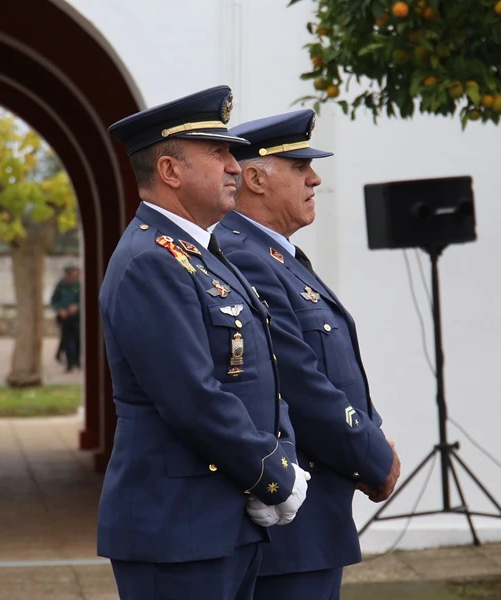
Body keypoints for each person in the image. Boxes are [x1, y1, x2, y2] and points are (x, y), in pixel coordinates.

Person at [98, 85, 309, 600]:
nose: (235, 166)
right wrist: (274, 476)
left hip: (223, 519)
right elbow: (194, 397)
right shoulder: (152, 260)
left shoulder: (203, 252)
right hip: (177, 528)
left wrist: (277, 459)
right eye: (218, 153)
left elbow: (262, 375)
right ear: (170, 171)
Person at [215, 109, 402, 600]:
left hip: (315, 519)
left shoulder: (274, 253)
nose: (315, 178)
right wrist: (373, 456)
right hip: (291, 527)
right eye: (300, 167)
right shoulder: (244, 256)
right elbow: (296, 382)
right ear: (254, 177)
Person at [50, 265, 81, 371]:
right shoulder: (61, 285)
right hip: (65, 318)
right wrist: (60, 310)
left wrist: (77, 306)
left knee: (78, 339)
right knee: (66, 340)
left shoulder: (78, 285)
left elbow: (83, 299)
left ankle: (77, 361)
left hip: (77, 318)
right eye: (70, 275)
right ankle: (69, 364)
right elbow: (54, 300)